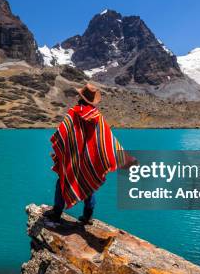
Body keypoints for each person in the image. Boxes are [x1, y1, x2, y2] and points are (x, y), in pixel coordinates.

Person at [45, 83, 136, 225]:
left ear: (80, 97)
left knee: (62, 180)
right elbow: (107, 140)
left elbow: (61, 134)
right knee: (88, 182)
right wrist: (122, 157)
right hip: (89, 158)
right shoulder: (97, 116)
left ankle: (57, 212)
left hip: (73, 158)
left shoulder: (73, 113)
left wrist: (62, 149)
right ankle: (87, 216)